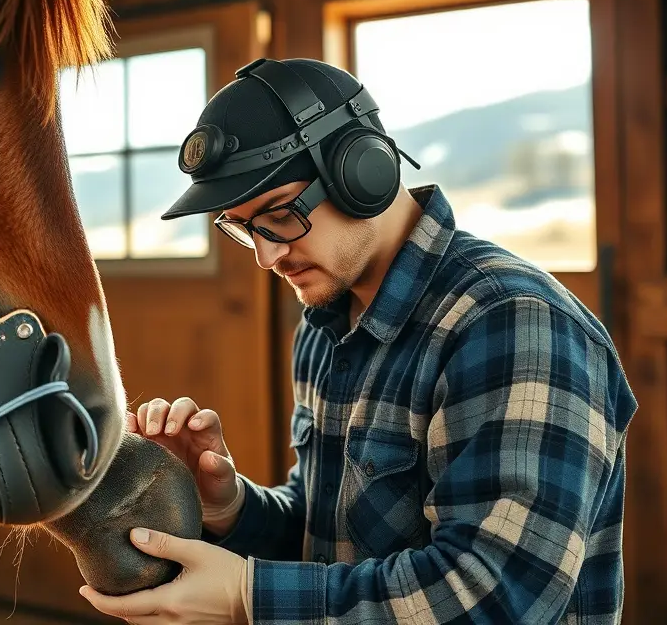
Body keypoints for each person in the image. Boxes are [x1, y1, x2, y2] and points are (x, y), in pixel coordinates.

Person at [78, 57, 637, 624]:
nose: (267, 256)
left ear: (362, 173)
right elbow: (333, 537)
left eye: (279, 214)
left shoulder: (514, 323)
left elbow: (494, 595)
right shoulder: (324, 325)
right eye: (244, 227)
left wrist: (249, 597)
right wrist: (232, 508)